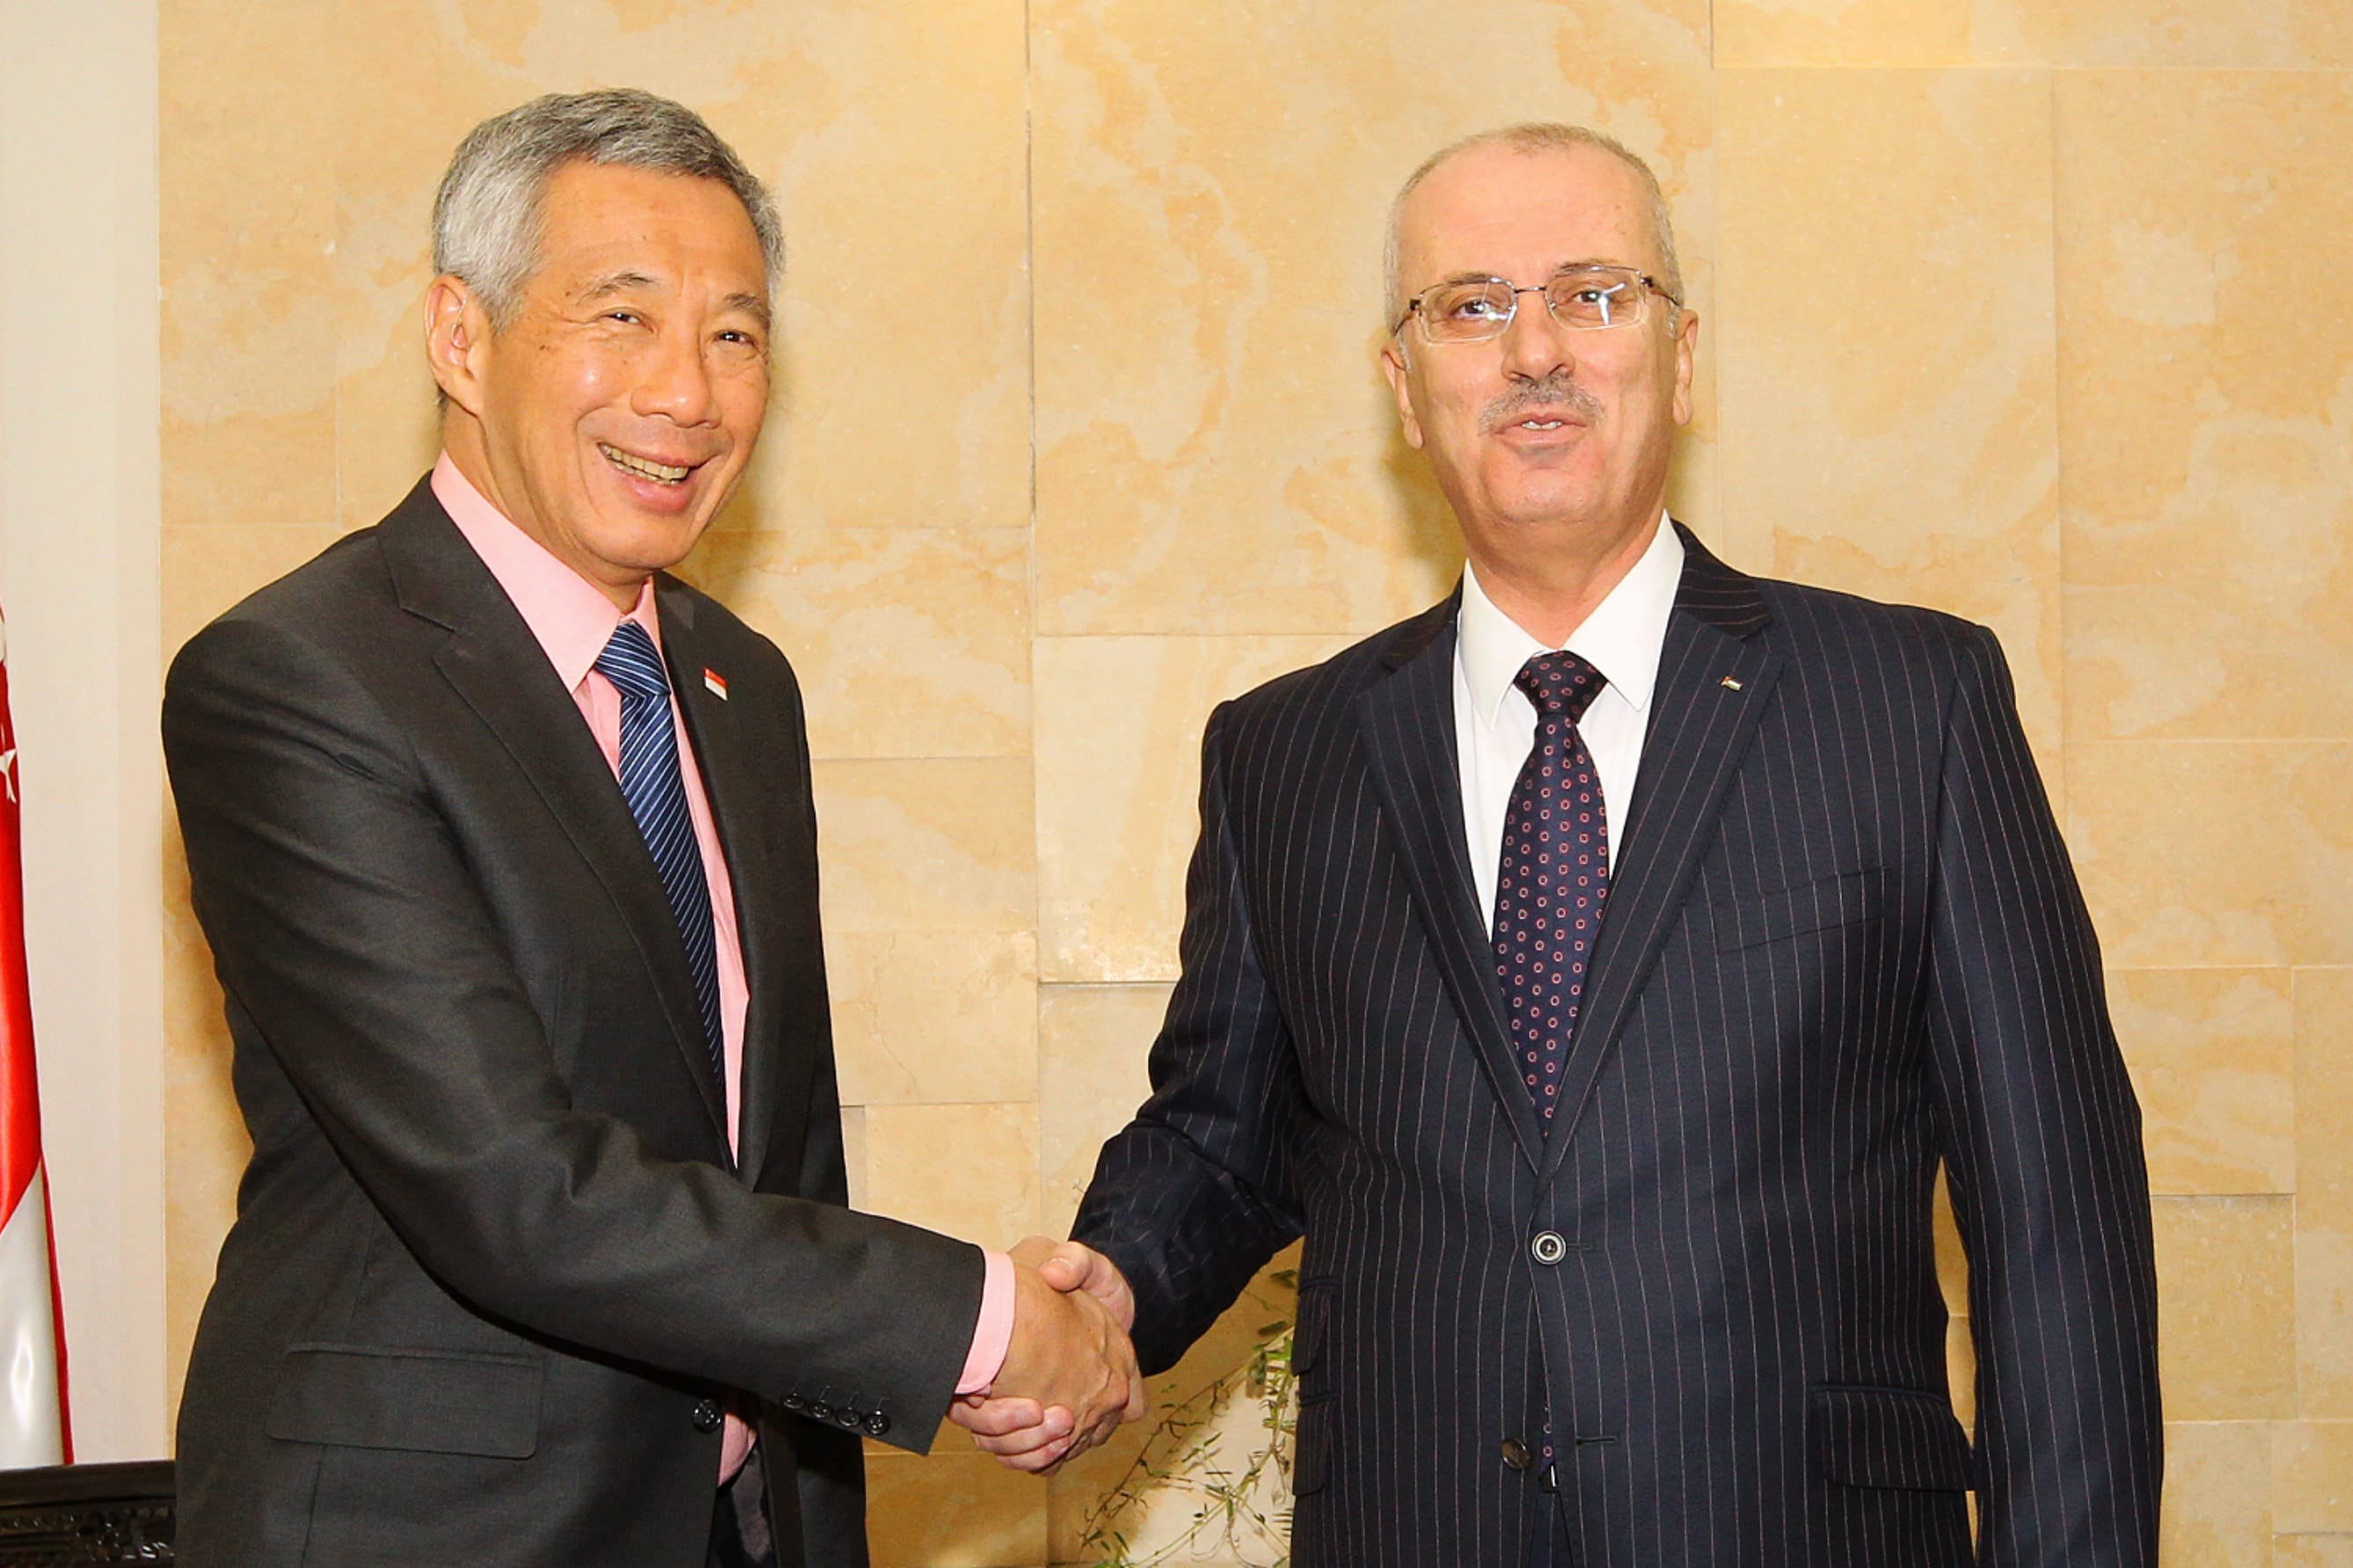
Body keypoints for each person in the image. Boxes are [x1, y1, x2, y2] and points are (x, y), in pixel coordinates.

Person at [956, 124, 2162, 1566]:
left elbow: (2061, 1233)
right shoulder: (1283, 752)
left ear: (1682, 357)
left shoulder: (1911, 705)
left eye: (1592, 293)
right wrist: (1109, 1294)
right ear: (1405, 386)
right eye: (1471, 305)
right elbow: (1228, 1136)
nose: (1535, 350)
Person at [164, 89, 1138, 1568]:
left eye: (736, 334)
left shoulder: (741, 687)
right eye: (619, 318)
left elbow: (773, 1160)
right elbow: (514, 1190)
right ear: (460, 338)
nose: (687, 392)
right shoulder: (301, 681)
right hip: (432, 1531)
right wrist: (981, 1322)